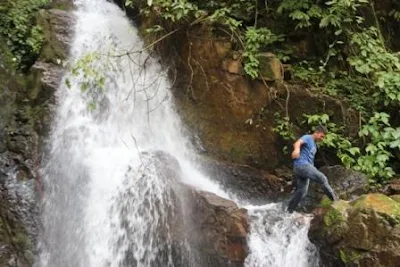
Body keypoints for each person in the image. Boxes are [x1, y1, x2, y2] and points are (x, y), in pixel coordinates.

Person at [287, 125, 338, 213]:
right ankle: (336, 201)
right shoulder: (307, 137)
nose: (322, 139)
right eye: (322, 136)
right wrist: (296, 150)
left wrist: (313, 168)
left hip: (303, 168)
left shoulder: (314, 144)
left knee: (302, 192)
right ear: (317, 132)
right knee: (323, 178)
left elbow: (310, 159)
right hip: (302, 165)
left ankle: (289, 211)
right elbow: (297, 143)